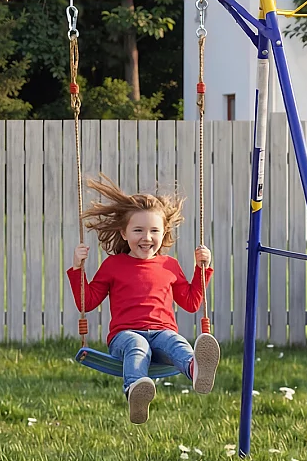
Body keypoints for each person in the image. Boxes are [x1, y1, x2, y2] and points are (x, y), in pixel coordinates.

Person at [67, 174, 220, 424]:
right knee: (138, 346)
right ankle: (136, 390)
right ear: (124, 233)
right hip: (124, 336)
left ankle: (196, 370)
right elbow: (87, 302)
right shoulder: (113, 265)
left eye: (154, 231)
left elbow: (191, 303)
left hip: (162, 333)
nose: (146, 237)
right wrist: (77, 269)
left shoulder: (170, 265)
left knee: (177, 343)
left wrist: (201, 270)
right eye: (138, 230)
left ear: (164, 233)